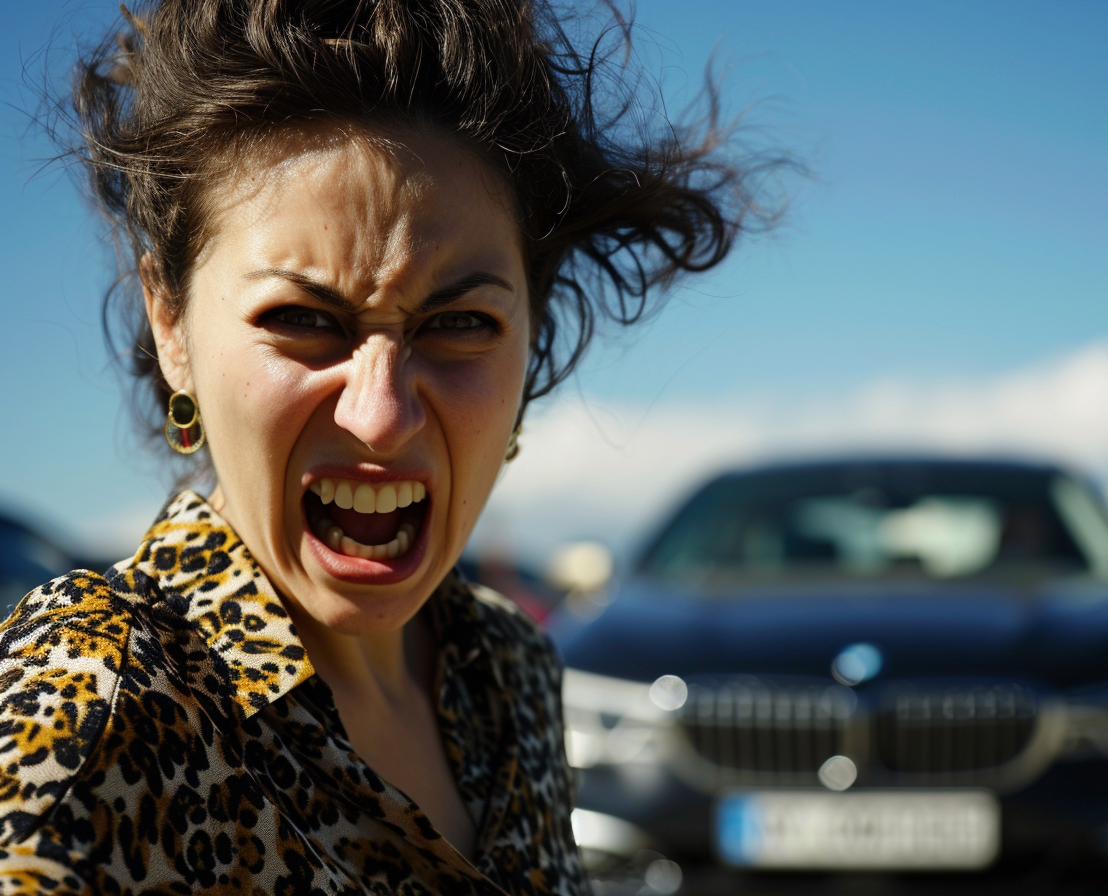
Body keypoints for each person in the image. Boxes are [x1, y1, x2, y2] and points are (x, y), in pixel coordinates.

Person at [0, 1, 766, 892]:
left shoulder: (509, 672)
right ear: (170, 323)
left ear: (533, 337)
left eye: (459, 324)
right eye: (302, 320)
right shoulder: (99, 692)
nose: (382, 416)